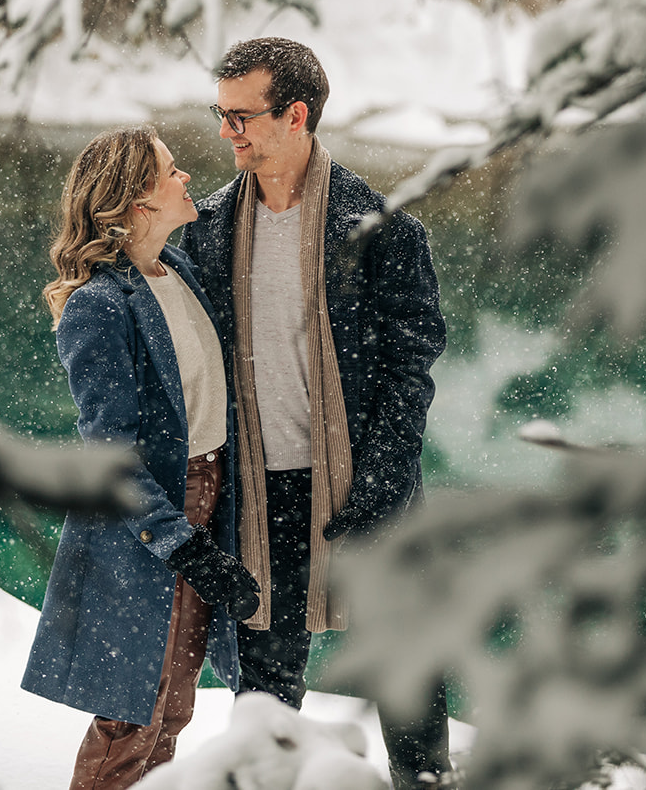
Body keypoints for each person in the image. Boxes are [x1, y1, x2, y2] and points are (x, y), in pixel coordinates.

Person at [179, 38, 452, 790]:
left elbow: (411, 368)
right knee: (266, 691)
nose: (226, 131)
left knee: (406, 673)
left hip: (366, 487)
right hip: (259, 495)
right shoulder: (204, 230)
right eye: (221, 114)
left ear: (295, 114)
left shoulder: (380, 227)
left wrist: (383, 483)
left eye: (242, 116)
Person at [22, 124, 262, 790]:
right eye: (171, 171)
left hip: (212, 493)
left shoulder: (176, 269)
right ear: (136, 203)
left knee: (176, 705)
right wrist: (185, 545)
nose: (187, 178)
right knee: (132, 713)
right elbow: (113, 455)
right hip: (149, 520)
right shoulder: (97, 308)